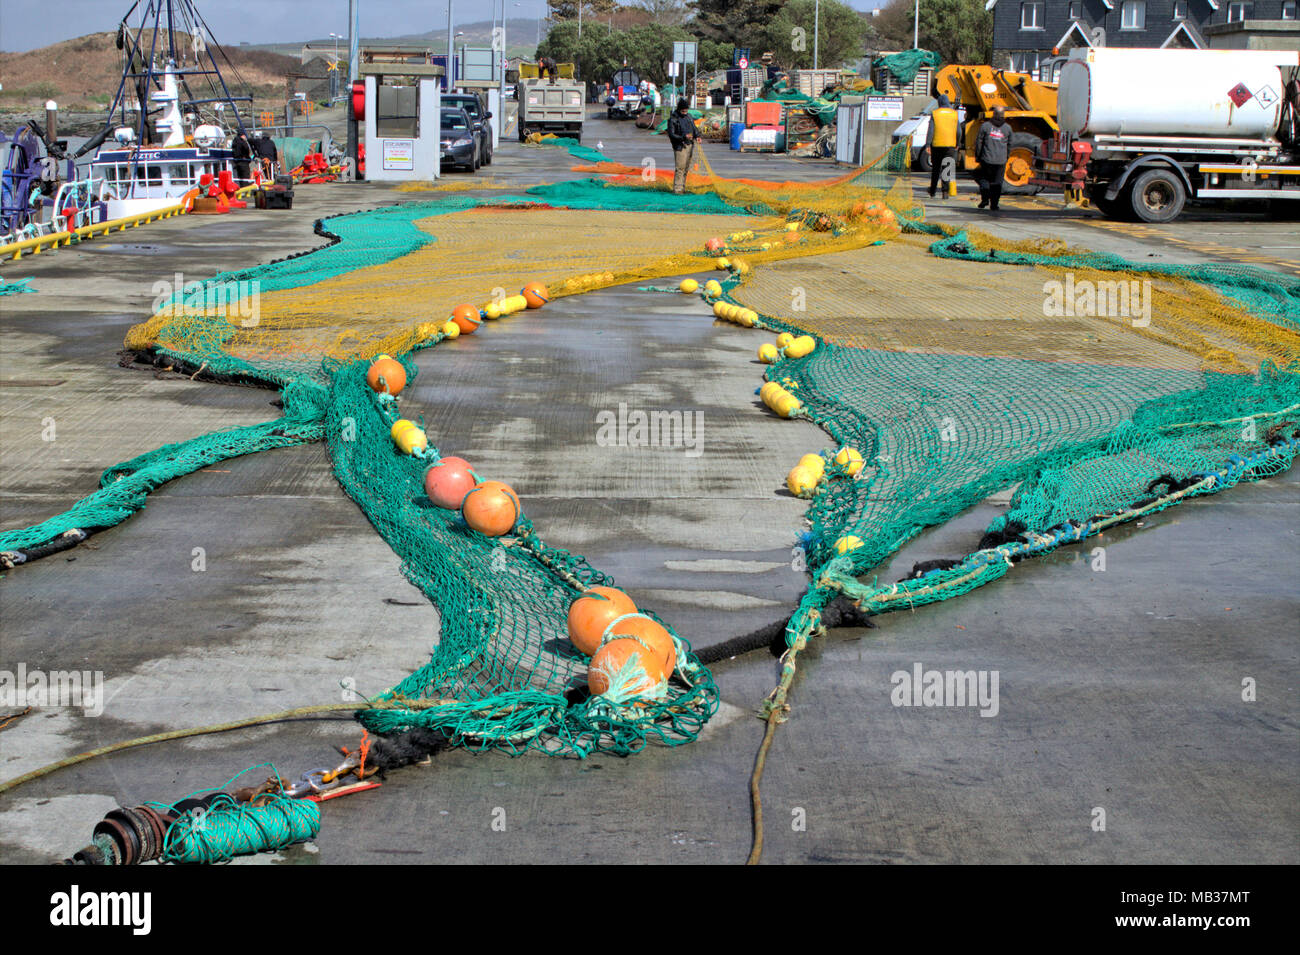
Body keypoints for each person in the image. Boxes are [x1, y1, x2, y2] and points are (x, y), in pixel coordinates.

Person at [973, 106, 1010, 211]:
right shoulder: (1007, 128)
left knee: (984, 179)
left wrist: (978, 156)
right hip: (1001, 160)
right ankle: (994, 205)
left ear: (993, 114)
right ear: (1003, 115)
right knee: (997, 183)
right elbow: (1010, 144)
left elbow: (979, 142)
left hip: (986, 159)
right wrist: (1006, 156)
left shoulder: (985, 126)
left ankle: (985, 199)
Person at [925, 93, 959, 200]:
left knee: (936, 169)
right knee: (947, 168)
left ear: (939, 103)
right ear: (948, 103)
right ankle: (945, 192)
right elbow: (959, 131)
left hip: (937, 144)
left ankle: (933, 191)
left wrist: (928, 144)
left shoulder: (935, 113)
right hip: (950, 145)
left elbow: (931, 130)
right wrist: (958, 143)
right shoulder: (954, 114)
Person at [667, 98, 699, 195]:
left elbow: (694, 128)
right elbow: (672, 134)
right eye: (683, 110)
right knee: (680, 168)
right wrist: (683, 137)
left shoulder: (689, 117)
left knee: (685, 168)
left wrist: (698, 136)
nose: (685, 112)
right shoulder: (673, 119)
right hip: (680, 146)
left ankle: (682, 187)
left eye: (686, 110)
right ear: (679, 109)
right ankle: (677, 189)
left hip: (689, 145)